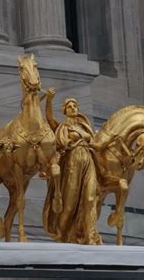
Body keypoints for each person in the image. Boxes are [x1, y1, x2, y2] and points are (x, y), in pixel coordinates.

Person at [43, 89, 102, 245]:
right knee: (69, 203)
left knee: (90, 198)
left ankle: (89, 235)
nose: (73, 108)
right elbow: (49, 118)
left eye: (75, 105)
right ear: (64, 111)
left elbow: (95, 144)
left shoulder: (85, 127)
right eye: (69, 106)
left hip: (88, 160)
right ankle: (62, 233)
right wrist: (49, 99)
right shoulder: (63, 127)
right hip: (72, 161)